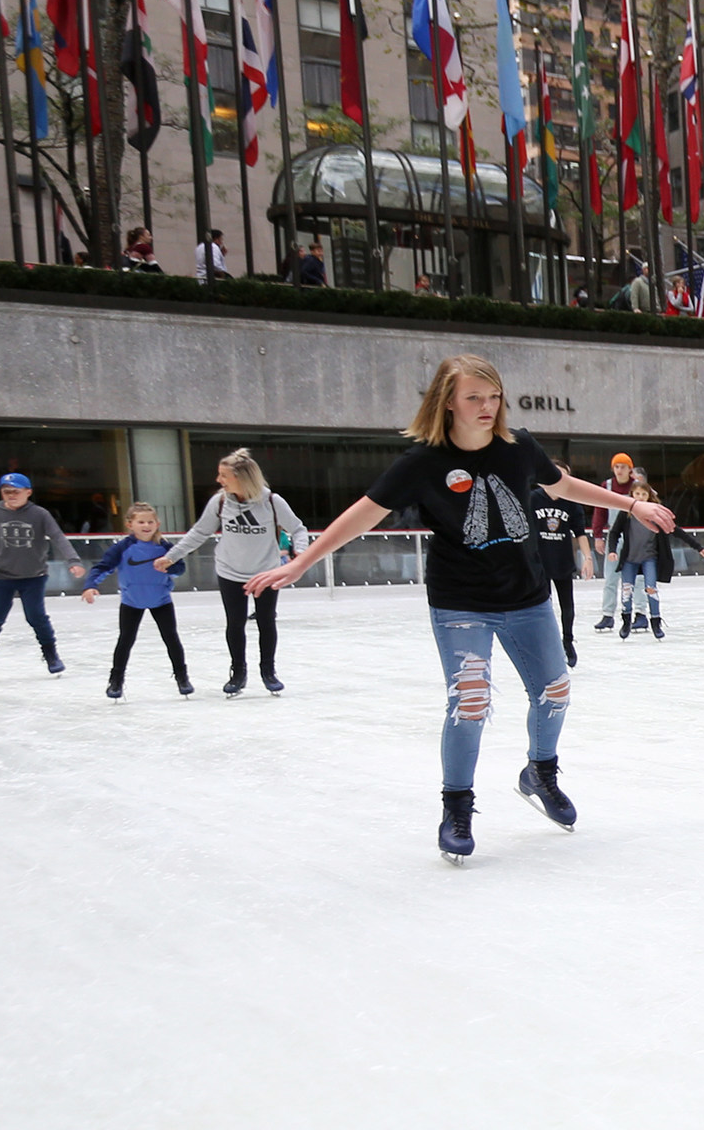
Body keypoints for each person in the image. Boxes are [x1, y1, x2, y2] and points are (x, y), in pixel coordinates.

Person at [242, 354, 676, 861]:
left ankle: (539, 773)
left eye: (494, 397)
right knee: (471, 701)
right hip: (460, 602)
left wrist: (631, 504)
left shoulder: (519, 447)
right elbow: (360, 516)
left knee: (555, 691)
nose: (488, 407)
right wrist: (301, 563)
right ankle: (457, 806)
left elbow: (560, 486)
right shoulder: (422, 462)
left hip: (526, 596)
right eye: (475, 398)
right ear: (448, 402)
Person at [159, 448, 310, 696]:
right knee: (235, 623)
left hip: (266, 573)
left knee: (266, 621)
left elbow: (298, 529)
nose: (219, 480)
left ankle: (268, 672)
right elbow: (199, 532)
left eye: (223, 475)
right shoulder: (219, 502)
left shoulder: (272, 501)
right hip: (230, 571)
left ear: (242, 478)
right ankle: (238, 672)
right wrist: (171, 556)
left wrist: (300, 554)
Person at [0, 473, 86, 678]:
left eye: (16, 492)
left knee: (36, 616)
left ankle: (51, 655)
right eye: (6, 492)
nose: (11, 495)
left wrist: (73, 561)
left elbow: (58, 537)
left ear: (28, 492)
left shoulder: (40, 514)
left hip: (33, 576)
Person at [82, 503, 193, 699]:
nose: (146, 525)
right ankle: (116, 681)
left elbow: (181, 567)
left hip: (161, 600)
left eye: (150, 521)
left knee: (171, 639)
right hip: (131, 601)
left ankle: (182, 678)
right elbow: (102, 567)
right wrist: (91, 585)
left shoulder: (165, 547)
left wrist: (169, 567)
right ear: (130, 524)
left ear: (157, 523)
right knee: (125, 640)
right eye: (141, 521)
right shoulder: (123, 547)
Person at [532, 461, 588, 667]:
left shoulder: (571, 503)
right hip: (539, 563)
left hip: (563, 560)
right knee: (542, 606)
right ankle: (545, 645)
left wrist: (588, 558)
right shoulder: (533, 499)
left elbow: (580, 532)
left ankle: (567, 641)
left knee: (567, 605)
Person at [606, 475, 676, 639]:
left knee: (651, 589)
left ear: (649, 496)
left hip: (649, 558)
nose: (640, 497)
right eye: (636, 494)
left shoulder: (654, 513)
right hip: (629, 559)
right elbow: (614, 532)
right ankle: (626, 620)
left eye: (643, 494)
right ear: (632, 495)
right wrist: (612, 550)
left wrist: (697, 546)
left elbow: (672, 529)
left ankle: (655, 622)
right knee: (626, 591)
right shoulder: (626, 514)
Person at [591, 454, 639, 632]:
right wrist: (597, 536)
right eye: (616, 466)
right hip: (614, 536)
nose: (619, 470)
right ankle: (608, 614)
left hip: (635, 536)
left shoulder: (637, 486)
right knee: (610, 577)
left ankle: (640, 613)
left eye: (623, 466)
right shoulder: (607, 486)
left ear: (629, 469)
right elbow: (600, 511)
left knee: (638, 578)